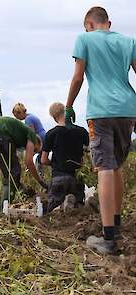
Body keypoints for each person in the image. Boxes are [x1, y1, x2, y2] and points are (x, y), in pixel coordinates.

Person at [65, 6, 136, 254]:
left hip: (101, 110)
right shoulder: (129, 41)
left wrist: (68, 106)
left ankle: (108, 240)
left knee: (104, 168)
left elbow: (78, 77)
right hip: (128, 111)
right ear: (109, 22)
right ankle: (115, 225)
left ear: (90, 24)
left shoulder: (84, 39)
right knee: (116, 166)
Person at [0, 116, 45, 210]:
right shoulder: (32, 134)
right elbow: (29, 162)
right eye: (35, 150)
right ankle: (5, 209)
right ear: (37, 142)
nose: (33, 152)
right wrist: (40, 181)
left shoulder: (19, 132)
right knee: (13, 173)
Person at [41, 102, 89, 214]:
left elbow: (43, 160)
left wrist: (54, 163)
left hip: (59, 177)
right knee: (79, 211)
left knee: (52, 212)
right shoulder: (81, 131)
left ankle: (60, 206)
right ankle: (72, 202)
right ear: (66, 112)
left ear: (54, 117)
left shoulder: (51, 134)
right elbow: (90, 150)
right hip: (77, 176)